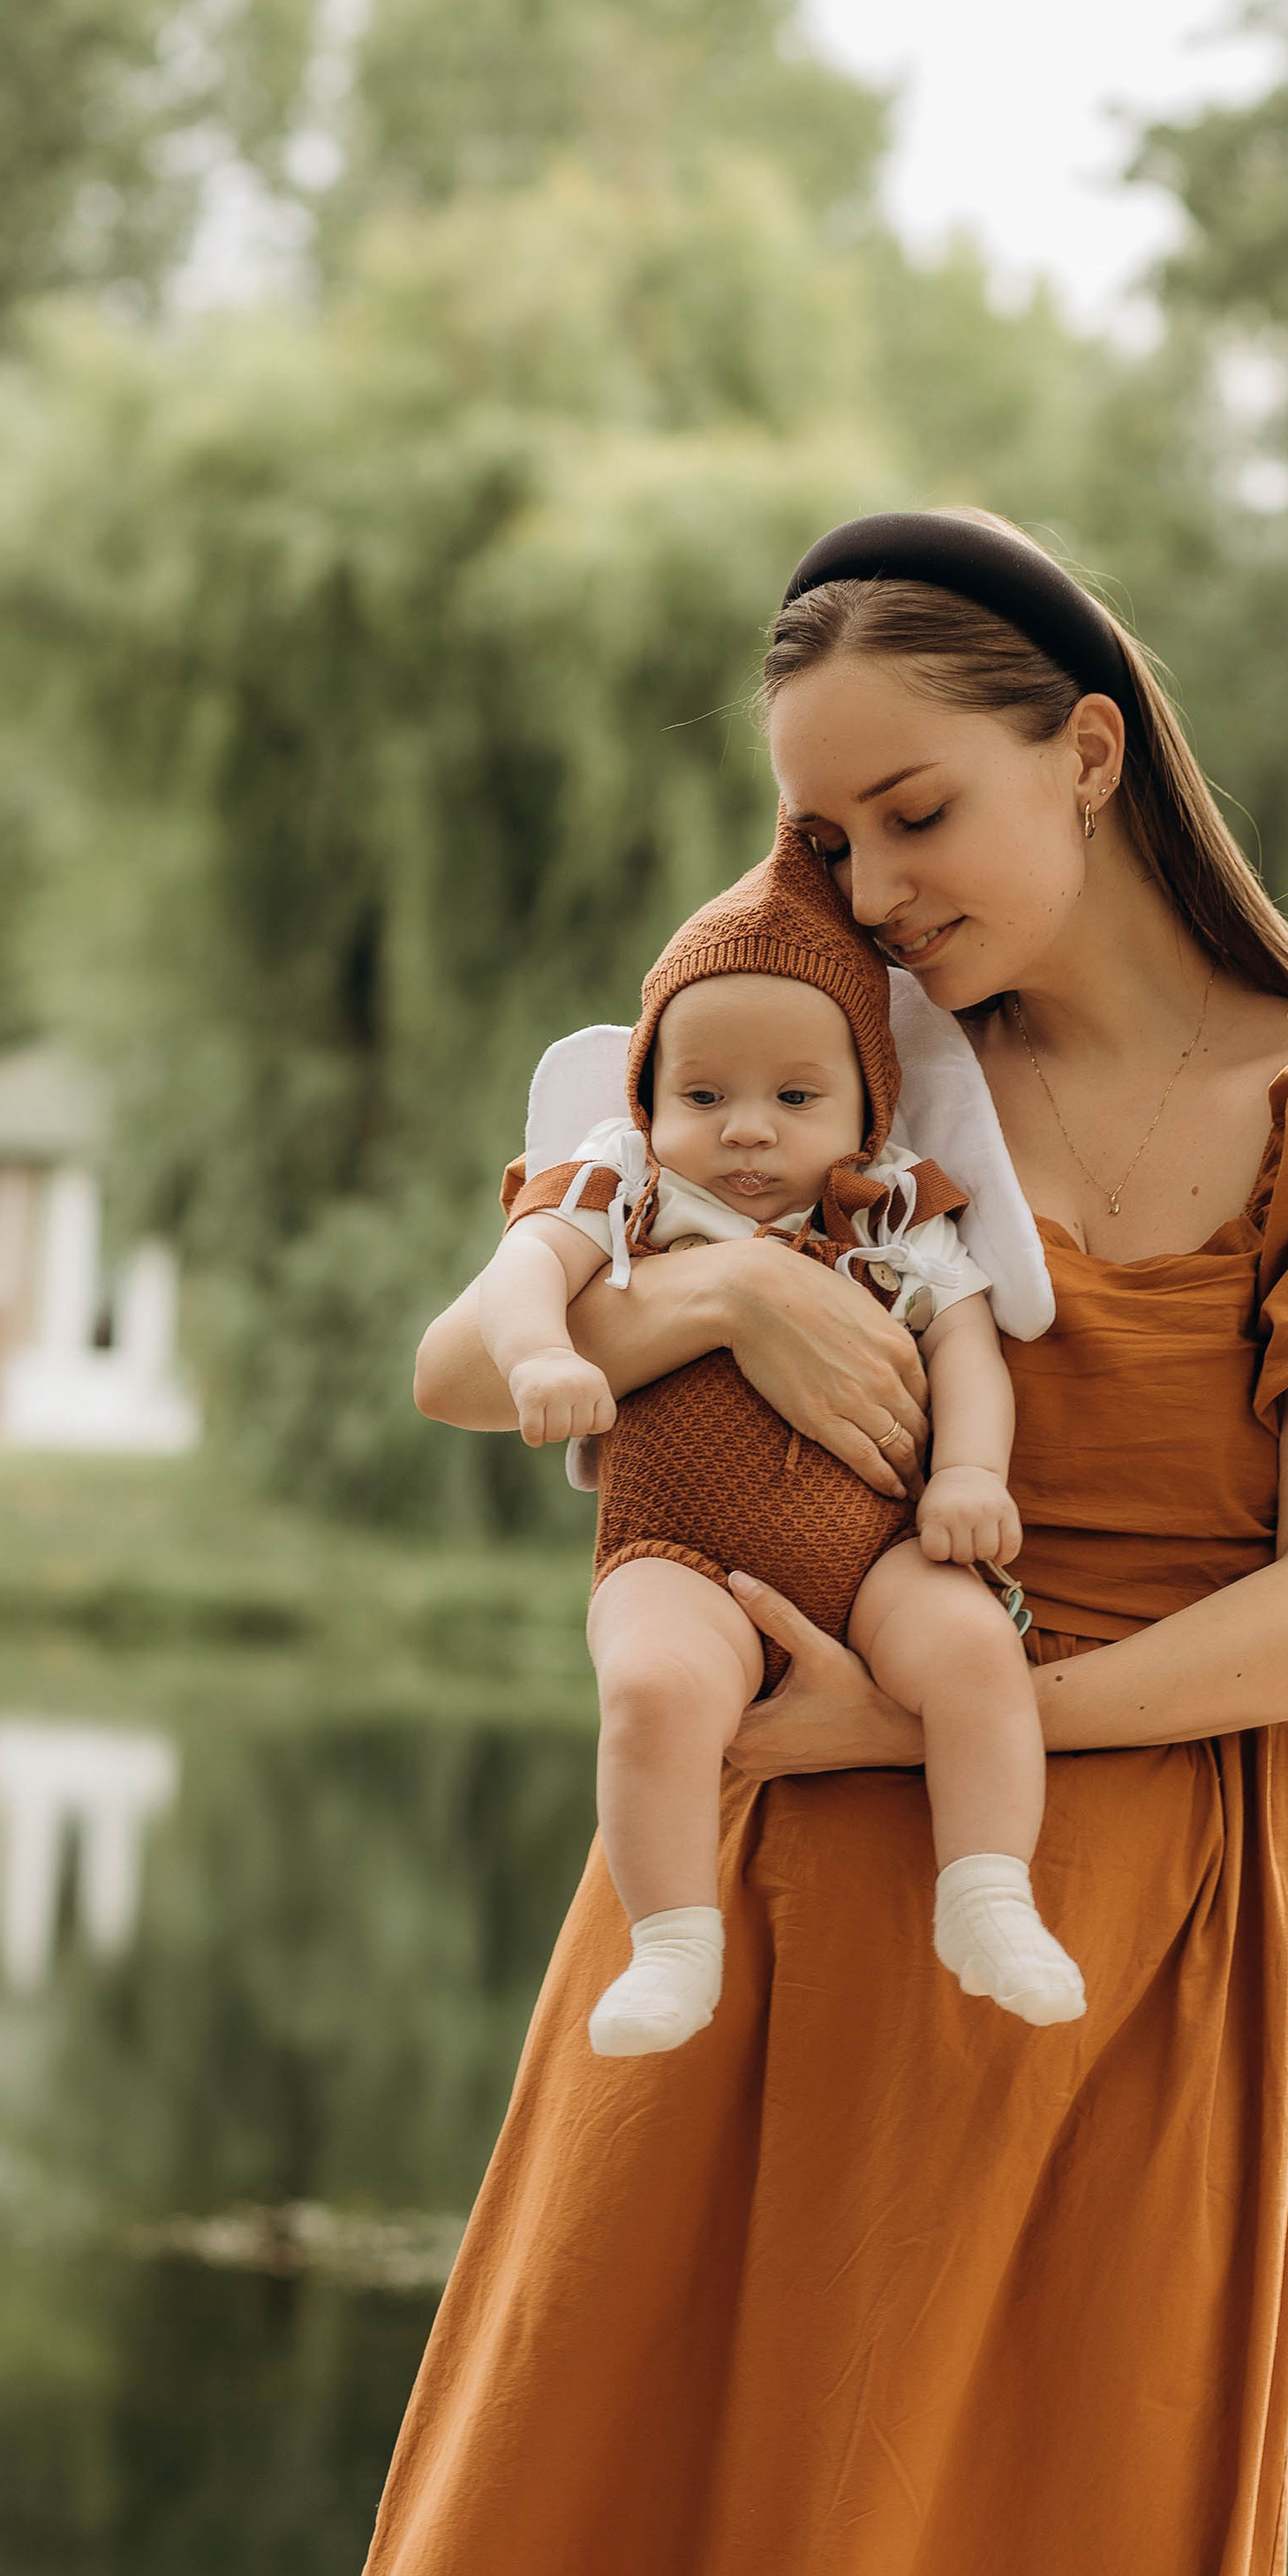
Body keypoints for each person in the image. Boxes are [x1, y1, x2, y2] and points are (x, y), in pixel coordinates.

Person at [177, 509, 1288, 2576]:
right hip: (729, 1918)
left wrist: (907, 1728)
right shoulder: (840, 1072)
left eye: (914, 813)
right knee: (589, 2571)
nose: (867, 884)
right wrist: (725, 1285)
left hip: (1097, 1942)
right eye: (825, 836)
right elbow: (484, 1348)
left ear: (1093, 752)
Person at [473, 826, 1084, 2050]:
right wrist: (542, 1353)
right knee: (652, 1688)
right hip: (674, 1551)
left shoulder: (893, 1208)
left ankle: (988, 1894)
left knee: (975, 1650)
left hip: (876, 1555)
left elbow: (969, 1343)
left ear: (867, 1105)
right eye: (704, 1097)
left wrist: (970, 1473)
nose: (747, 1130)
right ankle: (670, 1942)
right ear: (647, 1098)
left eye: (796, 1099)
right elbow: (520, 1271)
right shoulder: (628, 1187)